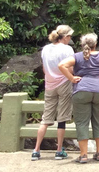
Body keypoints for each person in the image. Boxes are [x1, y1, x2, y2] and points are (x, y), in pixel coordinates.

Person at [58, 34, 99, 164]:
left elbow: (61, 65)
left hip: (82, 90)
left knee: (82, 123)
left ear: (83, 45)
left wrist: (71, 78)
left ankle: (84, 155)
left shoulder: (77, 57)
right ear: (95, 44)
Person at [32, 25, 75, 161]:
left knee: (45, 119)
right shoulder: (67, 49)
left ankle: (36, 150)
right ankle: (59, 150)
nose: (70, 39)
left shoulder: (45, 48)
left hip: (49, 84)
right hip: (64, 83)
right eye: (70, 36)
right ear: (65, 37)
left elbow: (45, 69)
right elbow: (71, 69)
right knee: (62, 118)